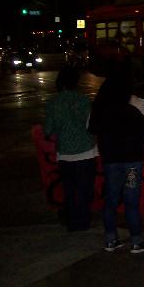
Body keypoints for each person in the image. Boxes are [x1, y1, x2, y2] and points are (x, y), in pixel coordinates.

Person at [88, 65, 144, 253]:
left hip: (111, 162)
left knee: (111, 198)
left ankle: (111, 239)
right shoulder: (130, 108)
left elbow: (92, 128)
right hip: (132, 162)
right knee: (131, 199)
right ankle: (136, 240)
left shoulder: (101, 108)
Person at [44, 65, 97, 232]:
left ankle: (72, 222)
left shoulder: (53, 103)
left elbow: (48, 130)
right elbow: (91, 126)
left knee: (69, 189)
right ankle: (84, 221)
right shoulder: (84, 101)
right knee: (85, 189)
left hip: (65, 154)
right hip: (86, 152)